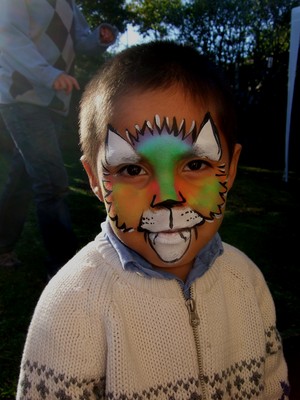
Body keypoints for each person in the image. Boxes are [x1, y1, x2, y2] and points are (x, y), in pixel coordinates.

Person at [16, 41, 290, 399]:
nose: (168, 195)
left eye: (195, 165)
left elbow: (274, 385)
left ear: (231, 169)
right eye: (131, 168)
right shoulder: (72, 306)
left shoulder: (247, 280)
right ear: (95, 180)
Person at [0, 0, 118, 277]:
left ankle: (2, 245)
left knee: (24, 177)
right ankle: (65, 265)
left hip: (55, 101)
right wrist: (49, 74)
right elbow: (9, 38)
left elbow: (82, 42)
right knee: (52, 181)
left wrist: (101, 36)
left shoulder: (68, 4)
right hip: (22, 98)